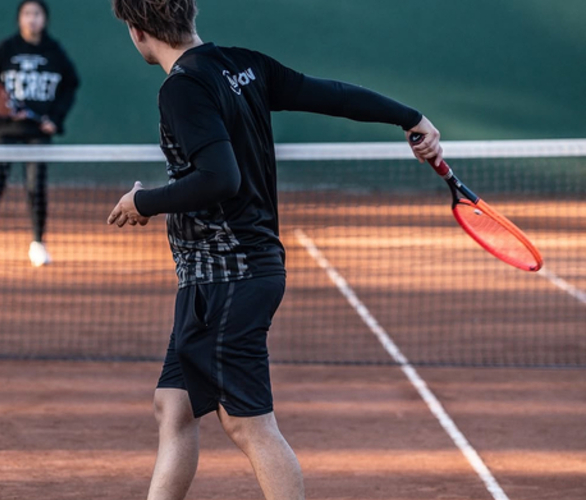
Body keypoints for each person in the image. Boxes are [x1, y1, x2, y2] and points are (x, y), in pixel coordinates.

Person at [108, 1, 443, 499]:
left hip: (228, 279)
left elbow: (220, 178)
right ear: (190, 15)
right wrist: (409, 116)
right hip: (218, 278)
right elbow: (332, 95)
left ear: (137, 32)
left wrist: (145, 201)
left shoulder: (181, 89)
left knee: (250, 426)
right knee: (173, 406)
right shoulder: (245, 64)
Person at [0, 0, 80, 267]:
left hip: (37, 133)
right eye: (27, 14)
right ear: (20, 19)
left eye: (37, 14)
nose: (32, 19)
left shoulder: (55, 52)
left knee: (35, 187)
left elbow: (71, 85)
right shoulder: (5, 49)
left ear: (45, 19)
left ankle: (38, 244)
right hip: (3, 132)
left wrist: (55, 119)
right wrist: (5, 111)